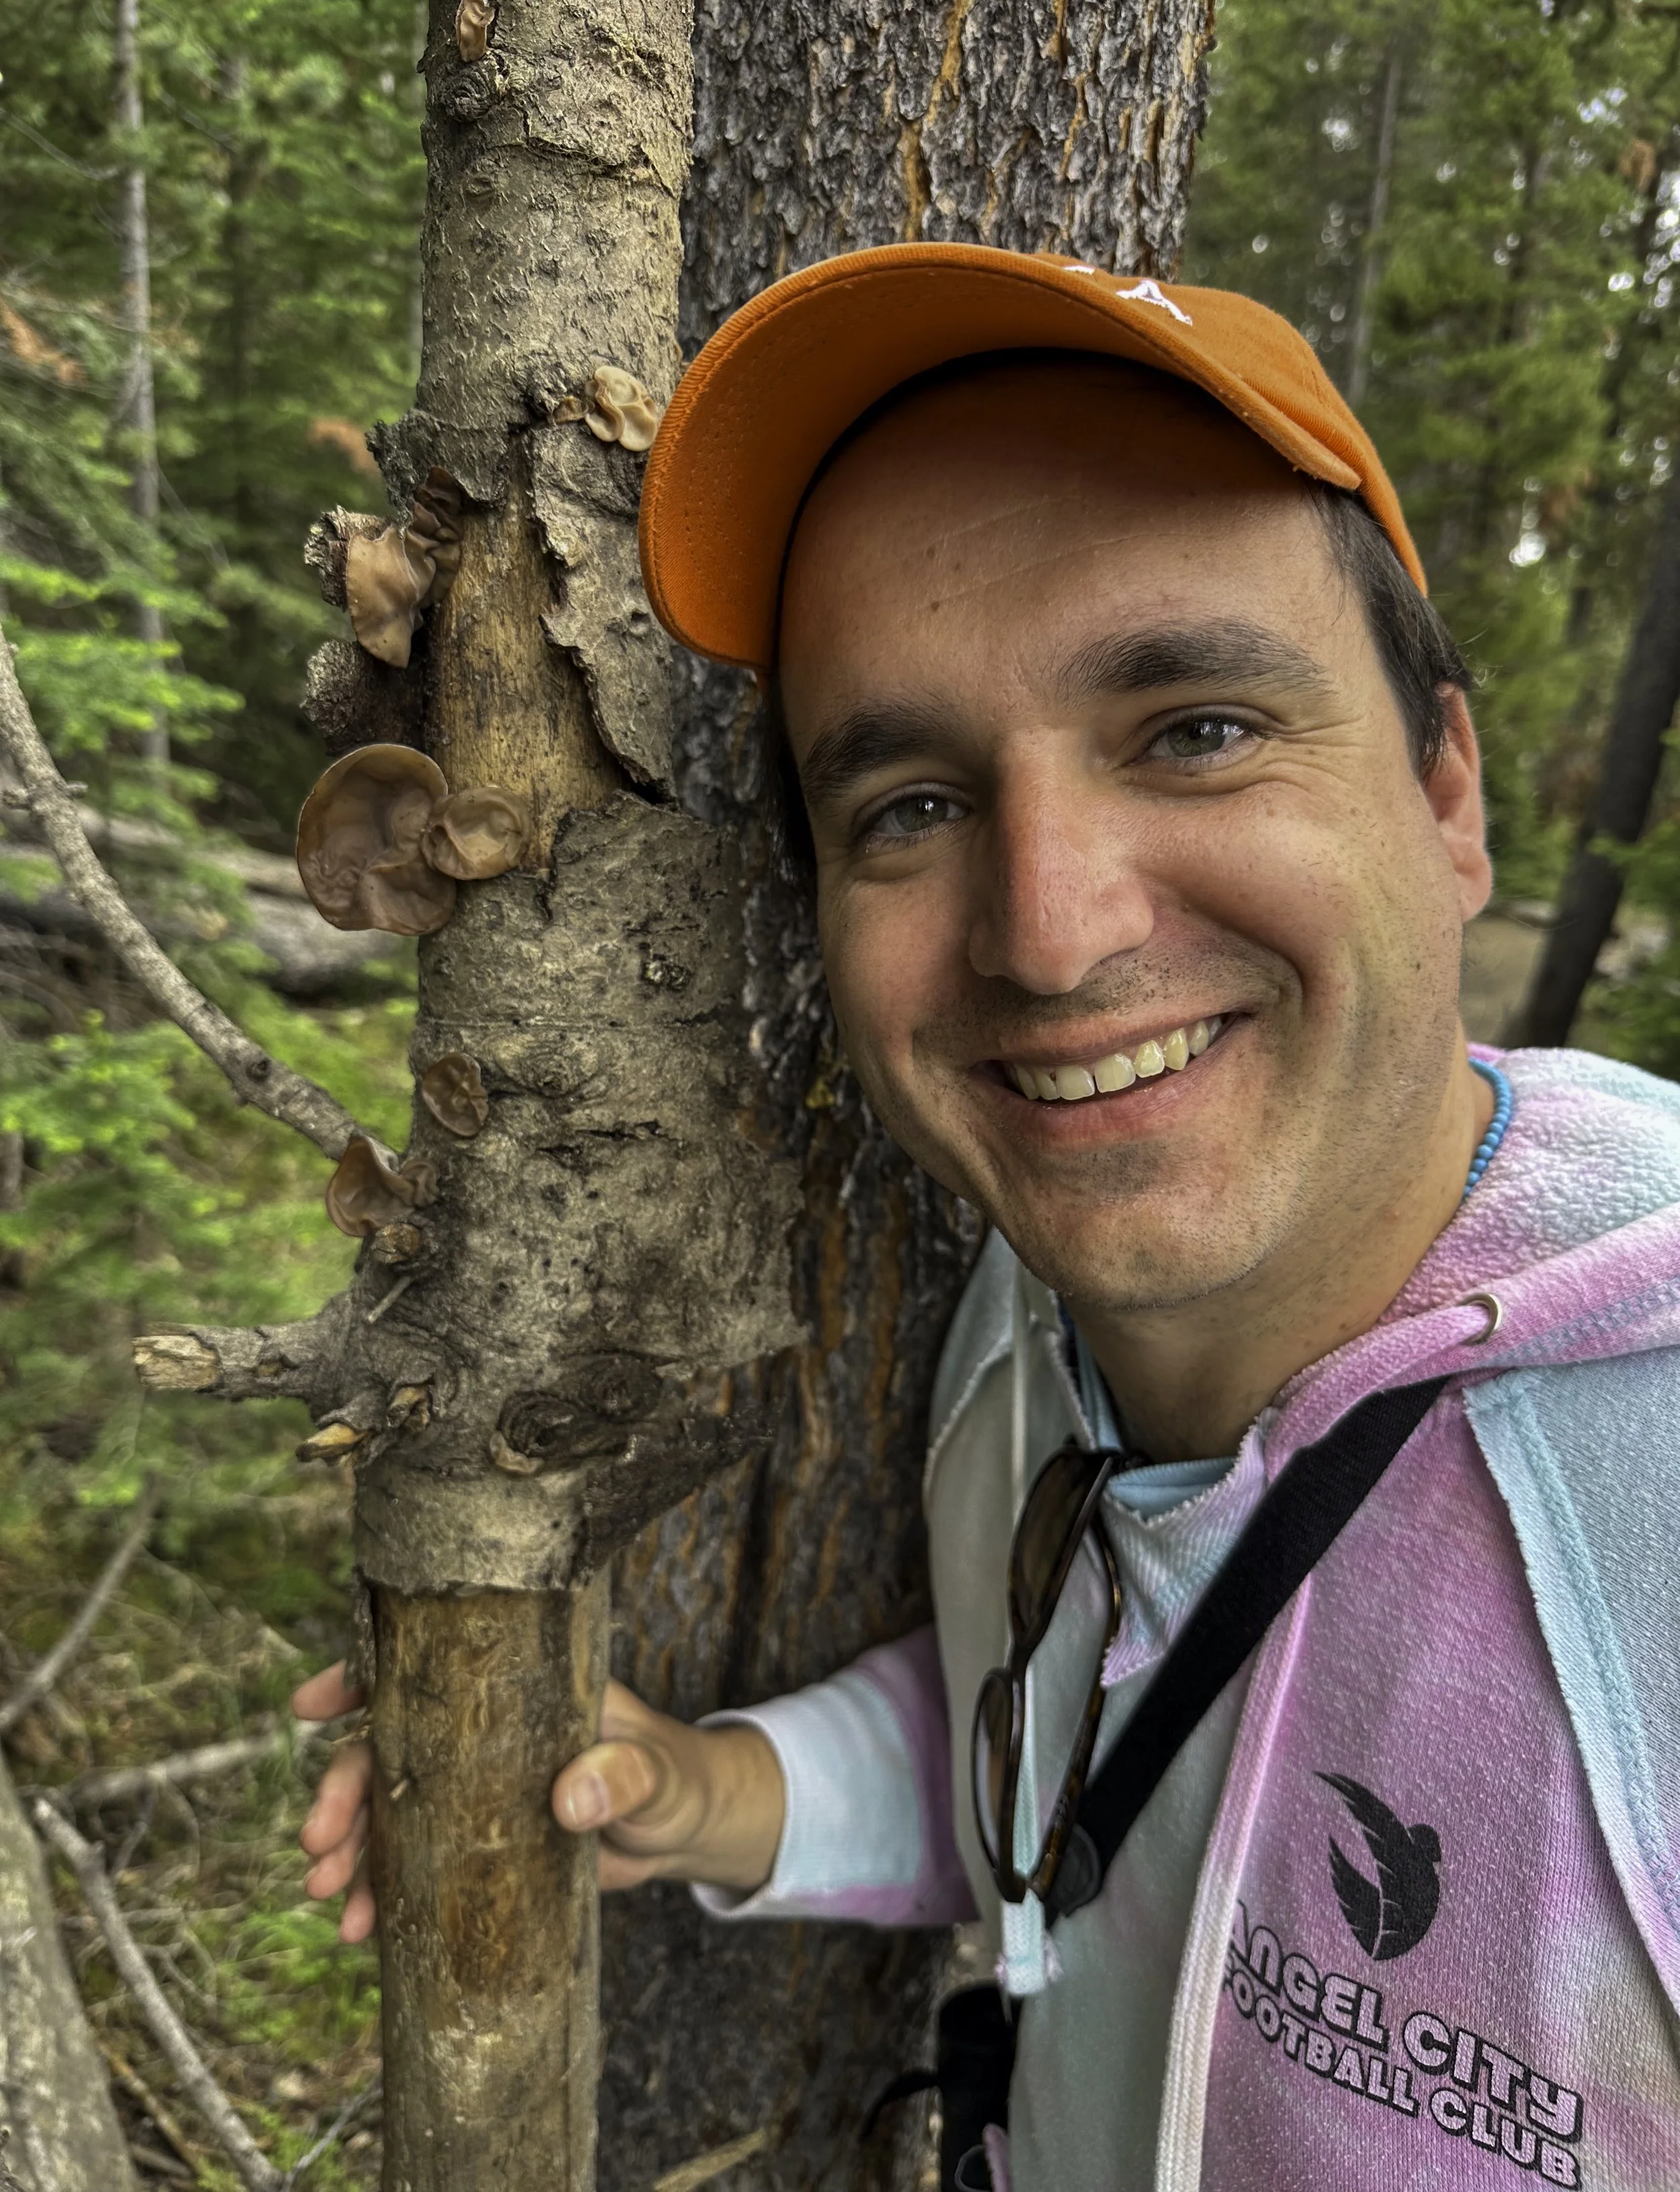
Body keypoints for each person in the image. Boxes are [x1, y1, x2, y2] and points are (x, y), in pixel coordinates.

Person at [294, 247, 1680, 2191]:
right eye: (913, 805)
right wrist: (718, 1789)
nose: (1049, 933)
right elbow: (1095, 1717)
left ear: (1446, 791)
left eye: (1194, 727)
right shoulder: (1027, 1323)